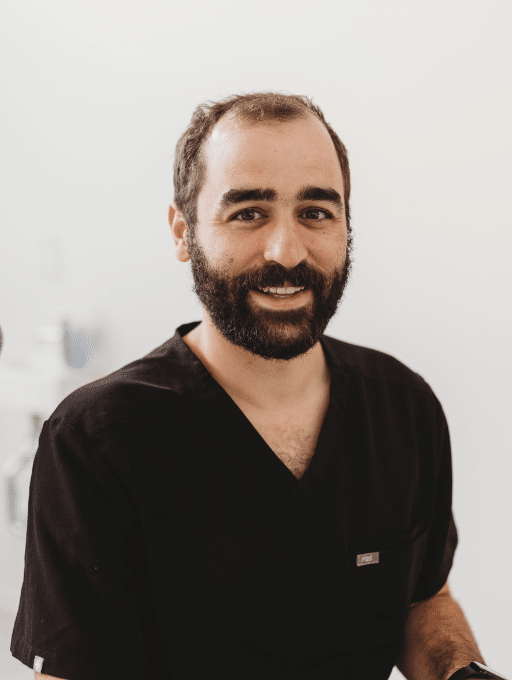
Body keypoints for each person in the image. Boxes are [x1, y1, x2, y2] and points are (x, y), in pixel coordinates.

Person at [10, 92, 501, 680]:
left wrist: (461, 673)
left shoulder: (404, 408)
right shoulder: (98, 441)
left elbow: (422, 600)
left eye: (316, 212)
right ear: (183, 232)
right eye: (248, 213)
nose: (286, 252)